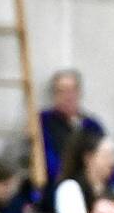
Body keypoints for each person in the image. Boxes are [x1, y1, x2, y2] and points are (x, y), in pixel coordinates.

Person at [36, 67, 104, 202]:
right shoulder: (43, 122)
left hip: (95, 181)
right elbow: (47, 159)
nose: (68, 96)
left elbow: (106, 155)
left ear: (79, 93)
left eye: (72, 91)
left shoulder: (91, 124)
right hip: (59, 183)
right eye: (61, 91)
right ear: (54, 95)